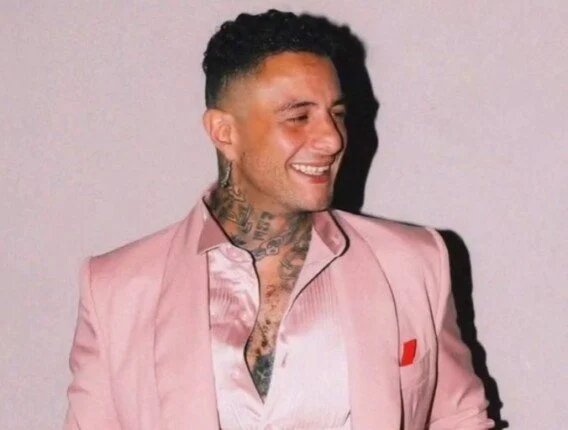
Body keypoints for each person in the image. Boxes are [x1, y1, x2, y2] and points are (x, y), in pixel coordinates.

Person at [64, 9, 493, 430]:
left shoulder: (413, 264)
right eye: (299, 117)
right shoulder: (117, 289)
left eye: (337, 114)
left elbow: (459, 419)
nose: (332, 139)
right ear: (225, 133)